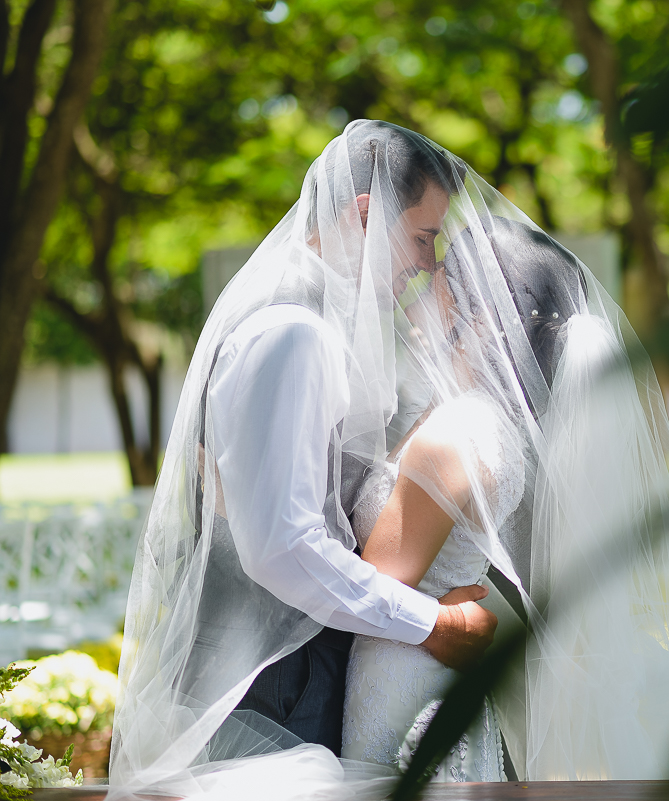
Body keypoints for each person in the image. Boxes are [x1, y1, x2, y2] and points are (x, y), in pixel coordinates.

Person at [108, 122, 499, 799]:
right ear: (369, 216)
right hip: (263, 686)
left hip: (279, 671)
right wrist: (431, 622)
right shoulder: (294, 331)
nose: (427, 267)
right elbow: (284, 545)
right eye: (422, 239)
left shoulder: (312, 317)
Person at [341, 174, 669, 779]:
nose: (424, 289)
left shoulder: (454, 436)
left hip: (401, 678)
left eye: (444, 283)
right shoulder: (495, 429)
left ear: (482, 315)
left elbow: (369, 586)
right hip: (431, 668)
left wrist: (436, 615)